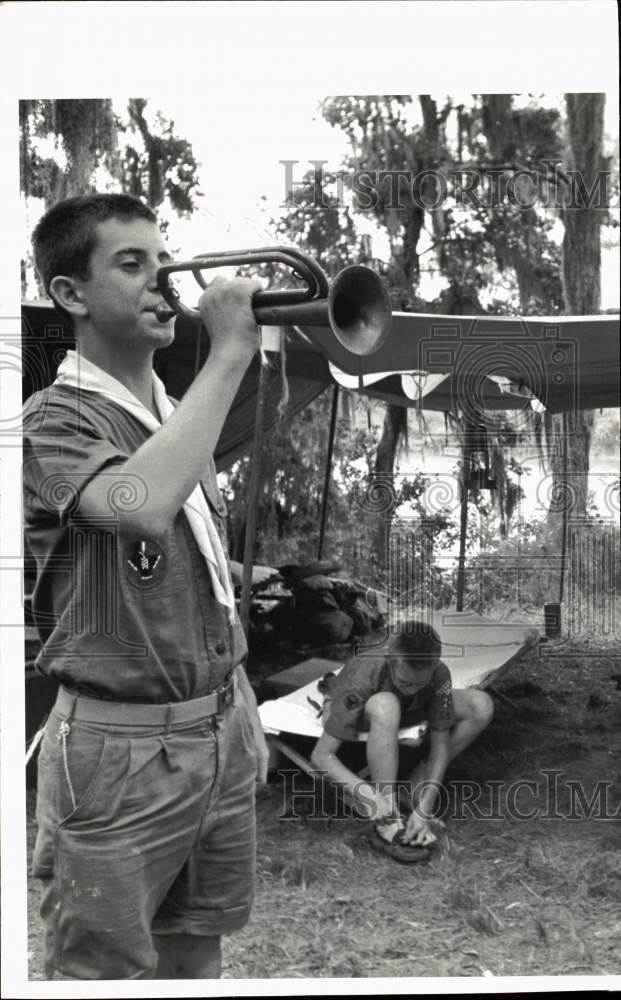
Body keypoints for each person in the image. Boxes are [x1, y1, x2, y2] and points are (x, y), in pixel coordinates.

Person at [22, 193, 271, 980]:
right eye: (132, 265)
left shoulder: (169, 415)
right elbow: (139, 507)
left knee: (198, 949)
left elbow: (197, 576)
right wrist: (229, 352)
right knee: (102, 974)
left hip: (217, 726)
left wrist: (241, 699)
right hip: (116, 750)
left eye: (163, 261)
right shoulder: (50, 419)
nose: (162, 280)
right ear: (70, 296)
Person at [310, 620, 494, 863]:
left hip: (406, 709)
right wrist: (368, 795)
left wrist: (425, 807)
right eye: (405, 682)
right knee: (387, 703)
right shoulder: (365, 672)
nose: (412, 688)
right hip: (362, 706)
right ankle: (389, 811)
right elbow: (321, 757)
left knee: (481, 705)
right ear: (392, 660)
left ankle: (413, 787)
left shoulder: (439, 674)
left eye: (420, 683)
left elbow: (441, 744)